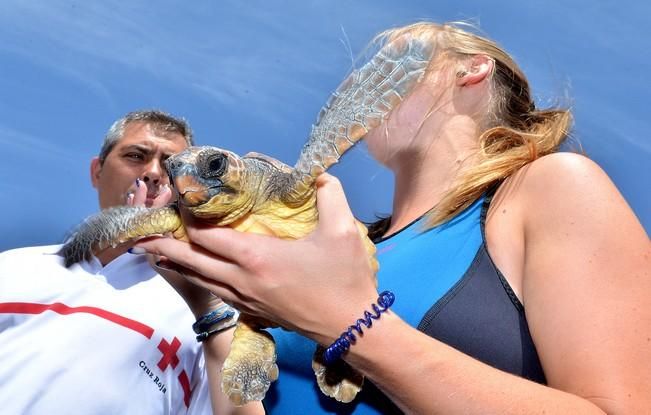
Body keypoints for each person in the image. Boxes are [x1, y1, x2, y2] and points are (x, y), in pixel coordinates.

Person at [135, 22, 651, 414]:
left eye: (392, 64)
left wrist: (353, 326)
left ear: (470, 69)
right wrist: (206, 300)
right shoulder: (342, 246)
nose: (359, 84)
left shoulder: (550, 188)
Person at [0, 110, 262, 415]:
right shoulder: (13, 267)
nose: (153, 173)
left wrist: (208, 310)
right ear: (97, 171)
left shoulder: (209, 307)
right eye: (136, 156)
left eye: (170, 165)